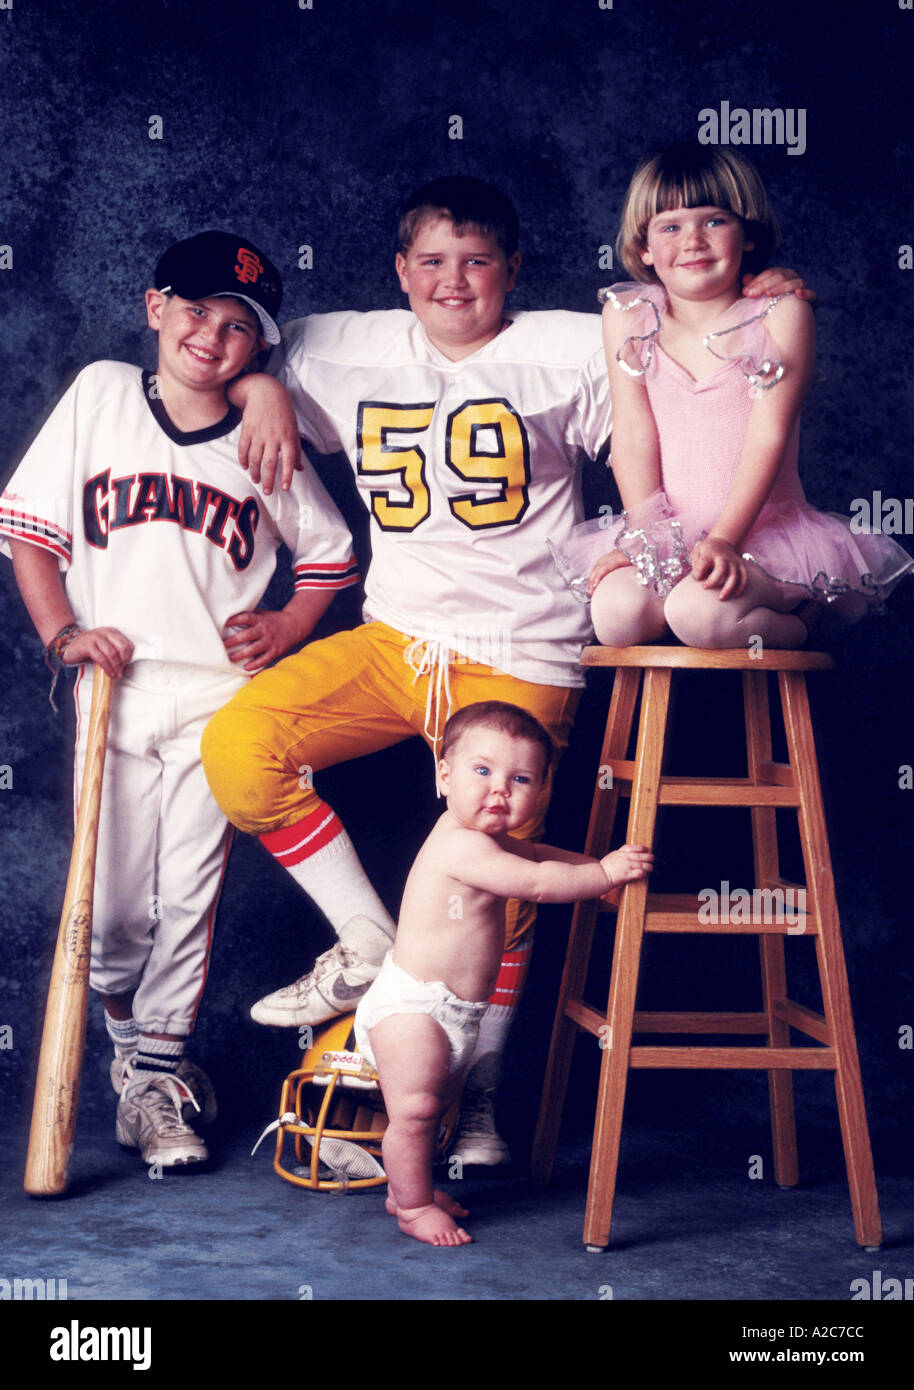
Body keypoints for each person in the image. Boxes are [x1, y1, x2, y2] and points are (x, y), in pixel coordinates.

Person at [202, 176, 811, 1166]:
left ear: (512, 271)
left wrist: (760, 289)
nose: (453, 281)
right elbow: (229, 344)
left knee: (502, 876)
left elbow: (701, 369)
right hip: (394, 636)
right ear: (399, 272)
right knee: (238, 745)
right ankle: (368, 940)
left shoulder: (575, 341)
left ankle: (472, 1094)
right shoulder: (333, 343)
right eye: (431, 261)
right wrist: (263, 383)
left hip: (519, 643)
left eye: (477, 260)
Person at [0, 231, 358, 1170]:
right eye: (196, 310)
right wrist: (61, 635)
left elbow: (328, 554)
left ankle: (159, 1079)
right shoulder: (102, 393)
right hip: (112, 690)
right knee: (113, 914)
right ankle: (134, 1058)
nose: (213, 335)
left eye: (241, 327)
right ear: (155, 307)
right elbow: (30, 533)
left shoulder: (262, 436)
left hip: (220, 699)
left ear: (260, 349)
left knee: (186, 901)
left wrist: (287, 629)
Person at [565, 142, 913, 646]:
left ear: (746, 234)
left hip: (759, 533)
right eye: (670, 227)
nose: (693, 241)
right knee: (616, 614)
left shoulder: (780, 313)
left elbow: (767, 437)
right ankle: (672, 572)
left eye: (714, 221)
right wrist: (648, 539)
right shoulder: (628, 315)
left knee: (698, 614)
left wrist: (726, 540)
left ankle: (798, 622)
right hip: (669, 533)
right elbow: (634, 434)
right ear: (643, 247)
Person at [353, 700, 653, 1246]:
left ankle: (406, 1186)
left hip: (454, 1011)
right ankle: (414, 1207)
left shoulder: (495, 841)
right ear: (444, 776)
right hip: (412, 1006)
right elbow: (536, 882)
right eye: (483, 771)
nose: (500, 790)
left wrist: (594, 867)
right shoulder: (462, 844)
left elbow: (538, 853)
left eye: (521, 778)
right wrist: (605, 873)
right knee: (416, 1111)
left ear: (538, 790)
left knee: (431, 1107)